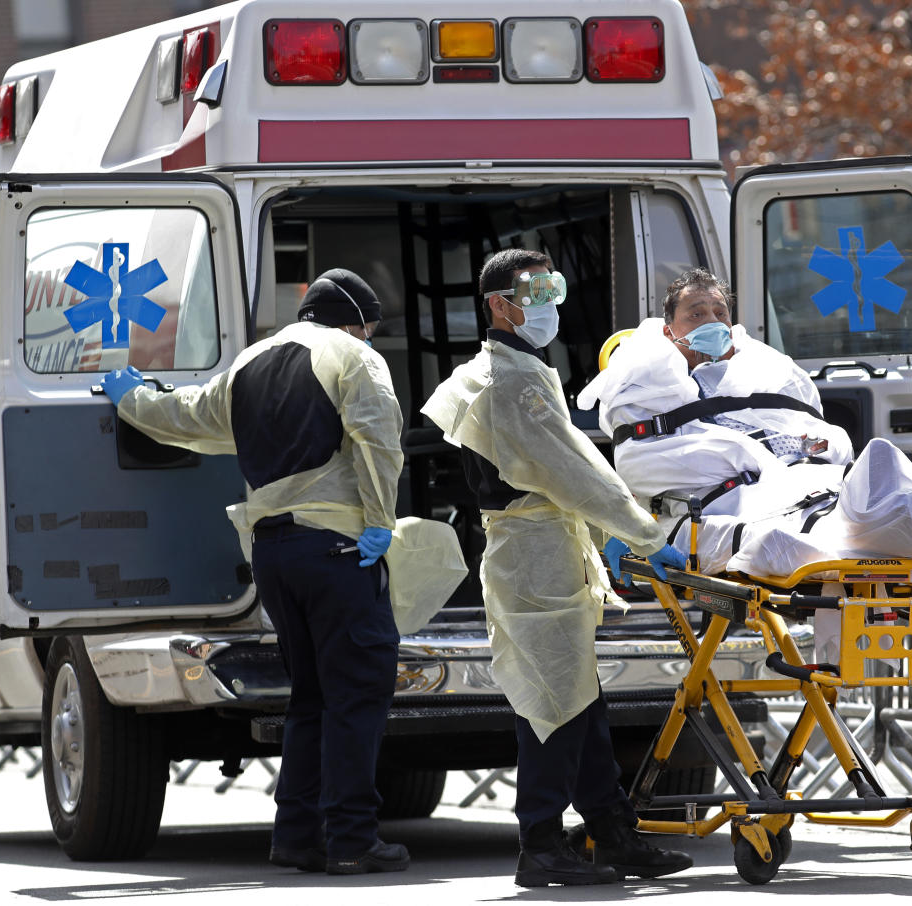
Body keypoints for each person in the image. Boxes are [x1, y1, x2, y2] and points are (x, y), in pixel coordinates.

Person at [101, 269, 410, 875]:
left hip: (272, 552)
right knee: (357, 693)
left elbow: (185, 419)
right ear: (355, 320)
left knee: (311, 698)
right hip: (339, 549)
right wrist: (380, 520)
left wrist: (130, 398)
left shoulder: (248, 362)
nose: (370, 337)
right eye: (370, 327)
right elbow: (379, 440)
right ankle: (352, 839)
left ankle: (296, 834)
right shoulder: (352, 357)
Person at [421, 249, 693, 888]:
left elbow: (561, 476)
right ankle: (540, 843)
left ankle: (612, 830)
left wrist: (608, 535)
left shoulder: (508, 372)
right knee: (552, 702)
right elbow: (572, 472)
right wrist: (644, 535)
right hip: (534, 553)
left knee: (579, 700)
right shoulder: (512, 382)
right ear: (498, 304)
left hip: (542, 547)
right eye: (532, 290)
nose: (546, 302)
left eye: (553, 286)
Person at [578, 269, 912, 658]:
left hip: (807, 484)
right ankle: (868, 524)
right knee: (785, 536)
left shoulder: (765, 376)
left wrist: (805, 447)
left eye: (720, 312)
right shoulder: (654, 390)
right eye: (696, 314)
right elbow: (650, 464)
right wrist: (742, 456)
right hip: (740, 504)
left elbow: (821, 436)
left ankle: (872, 515)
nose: (713, 322)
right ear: (669, 331)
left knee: (878, 464)